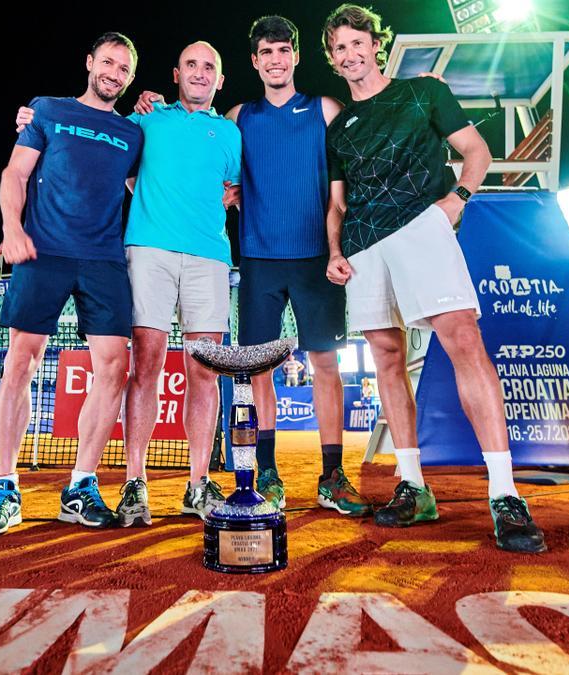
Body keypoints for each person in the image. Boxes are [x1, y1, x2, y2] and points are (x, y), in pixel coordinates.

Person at [126, 16, 377, 517]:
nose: (276, 59)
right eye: (266, 52)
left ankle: (332, 475)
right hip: (257, 260)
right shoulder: (238, 117)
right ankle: (266, 472)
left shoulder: (324, 108)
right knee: (257, 369)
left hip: (313, 258)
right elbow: (206, 175)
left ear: (296, 57)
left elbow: (356, 150)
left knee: (325, 364)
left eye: (284, 50)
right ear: (254, 61)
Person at [321, 4, 545, 552]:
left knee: (464, 342)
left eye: (358, 43)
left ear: (377, 44)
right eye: (339, 49)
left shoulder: (424, 91)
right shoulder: (339, 126)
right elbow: (336, 203)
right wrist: (334, 250)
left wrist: (456, 200)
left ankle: (504, 494)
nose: (350, 54)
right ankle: (413, 486)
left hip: (422, 228)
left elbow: (477, 151)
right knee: (388, 361)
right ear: (332, 59)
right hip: (363, 248)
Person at [21, 40, 241, 527]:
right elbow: (105, 155)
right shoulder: (143, 122)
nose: (200, 74)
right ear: (175, 74)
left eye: (210, 67)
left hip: (209, 258)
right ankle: (135, 483)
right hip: (147, 252)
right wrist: (30, 120)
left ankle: (198, 484)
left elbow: (234, 186)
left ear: (220, 81)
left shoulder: (230, 134)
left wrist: (224, 198)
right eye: (191, 66)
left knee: (204, 373)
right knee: (146, 366)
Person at [0, 33, 143, 537]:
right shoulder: (47, 110)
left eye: (124, 68)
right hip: (42, 252)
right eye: (107, 61)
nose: (114, 72)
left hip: (104, 259)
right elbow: (15, 173)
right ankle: (5, 488)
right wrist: (11, 228)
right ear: (89, 62)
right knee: (20, 360)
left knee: (114, 365)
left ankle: (81, 487)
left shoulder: (133, 133)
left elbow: (148, 185)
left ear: (130, 78)